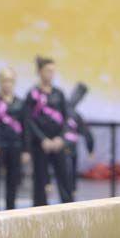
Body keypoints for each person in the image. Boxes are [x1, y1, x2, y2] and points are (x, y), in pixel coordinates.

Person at [25, 57, 73, 207]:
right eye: (48, 71)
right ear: (40, 72)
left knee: (64, 178)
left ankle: (68, 208)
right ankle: (39, 211)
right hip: (41, 145)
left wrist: (60, 138)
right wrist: (42, 139)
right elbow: (28, 121)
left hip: (57, 143)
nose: (51, 74)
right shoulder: (33, 94)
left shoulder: (59, 93)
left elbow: (67, 119)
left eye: (53, 71)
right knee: (40, 181)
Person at [0, 68, 28, 211]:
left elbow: (26, 127)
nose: (7, 84)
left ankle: (11, 209)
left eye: (10, 81)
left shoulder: (20, 103)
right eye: (4, 80)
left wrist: (26, 150)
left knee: (13, 180)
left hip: (15, 146)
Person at [64, 83, 95, 196]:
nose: (77, 98)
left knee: (70, 171)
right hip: (63, 147)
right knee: (67, 171)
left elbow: (87, 133)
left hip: (71, 147)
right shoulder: (66, 112)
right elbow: (87, 133)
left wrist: (90, 149)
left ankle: (72, 191)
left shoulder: (75, 115)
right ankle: (70, 191)